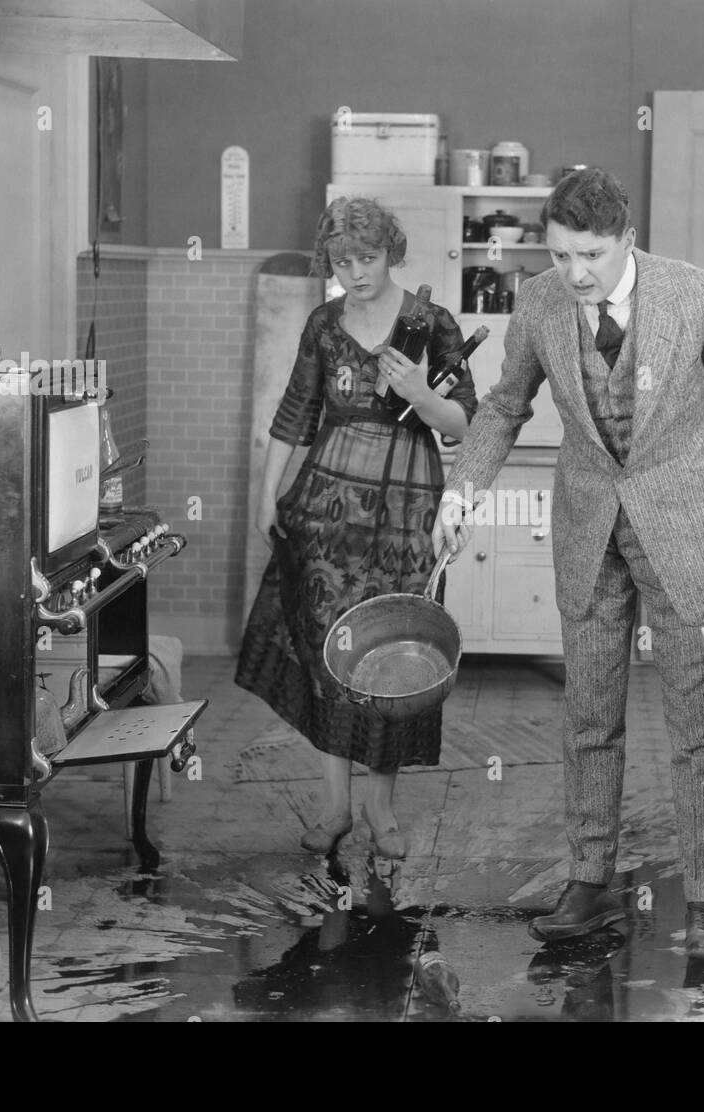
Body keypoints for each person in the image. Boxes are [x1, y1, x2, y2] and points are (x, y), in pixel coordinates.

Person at [432, 168, 704, 959]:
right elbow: (506, 403)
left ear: (627, 241)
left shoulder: (694, 296)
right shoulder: (542, 302)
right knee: (588, 716)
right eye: (562, 254)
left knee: (695, 725)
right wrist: (462, 489)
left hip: (681, 530)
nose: (576, 272)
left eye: (592, 255)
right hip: (587, 526)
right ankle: (589, 882)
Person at [238, 196, 477, 860]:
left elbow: (468, 423)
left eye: (367, 258)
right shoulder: (323, 323)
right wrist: (267, 496)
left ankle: (381, 809)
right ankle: (337, 807)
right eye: (342, 261)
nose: (356, 273)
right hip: (326, 517)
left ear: (391, 251)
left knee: (395, 659)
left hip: (409, 515)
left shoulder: (431, 324)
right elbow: (294, 415)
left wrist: (422, 395)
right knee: (330, 659)